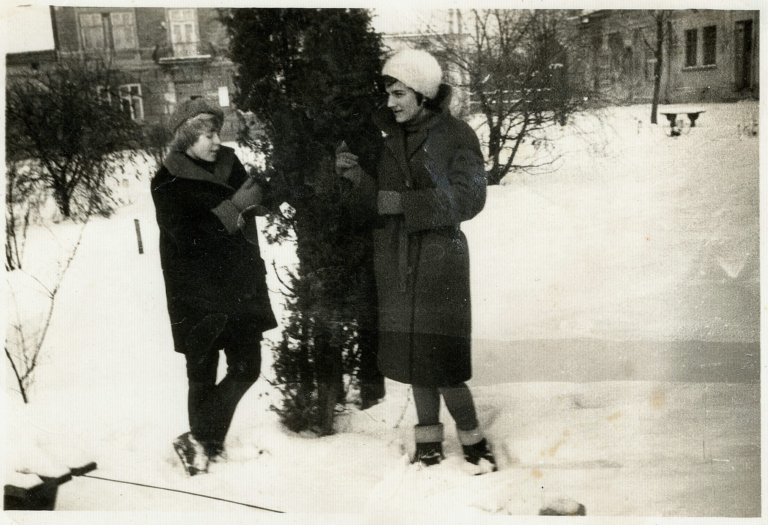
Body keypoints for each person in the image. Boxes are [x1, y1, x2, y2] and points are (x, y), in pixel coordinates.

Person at [336, 49, 497, 471]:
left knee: (442, 360)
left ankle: (474, 442)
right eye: (388, 94)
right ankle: (428, 441)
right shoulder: (391, 139)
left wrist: (403, 204)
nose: (390, 103)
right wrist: (356, 179)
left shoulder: (457, 135)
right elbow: (377, 203)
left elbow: (470, 197)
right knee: (414, 357)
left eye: (398, 94)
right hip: (398, 261)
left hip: (439, 261)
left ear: (423, 94)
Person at [151, 99, 277, 476]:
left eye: (216, 133)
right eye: (206, 135)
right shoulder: (167, 181)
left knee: (246, 367)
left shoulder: (229, 163)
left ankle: (199, 438)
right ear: (187, 137)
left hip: (239, 283)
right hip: (196, 291)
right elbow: (188, 238)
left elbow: (253, 201)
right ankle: (209, 447)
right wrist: (236, 206)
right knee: (202, 371)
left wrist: (265, 195)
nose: (215, 141)